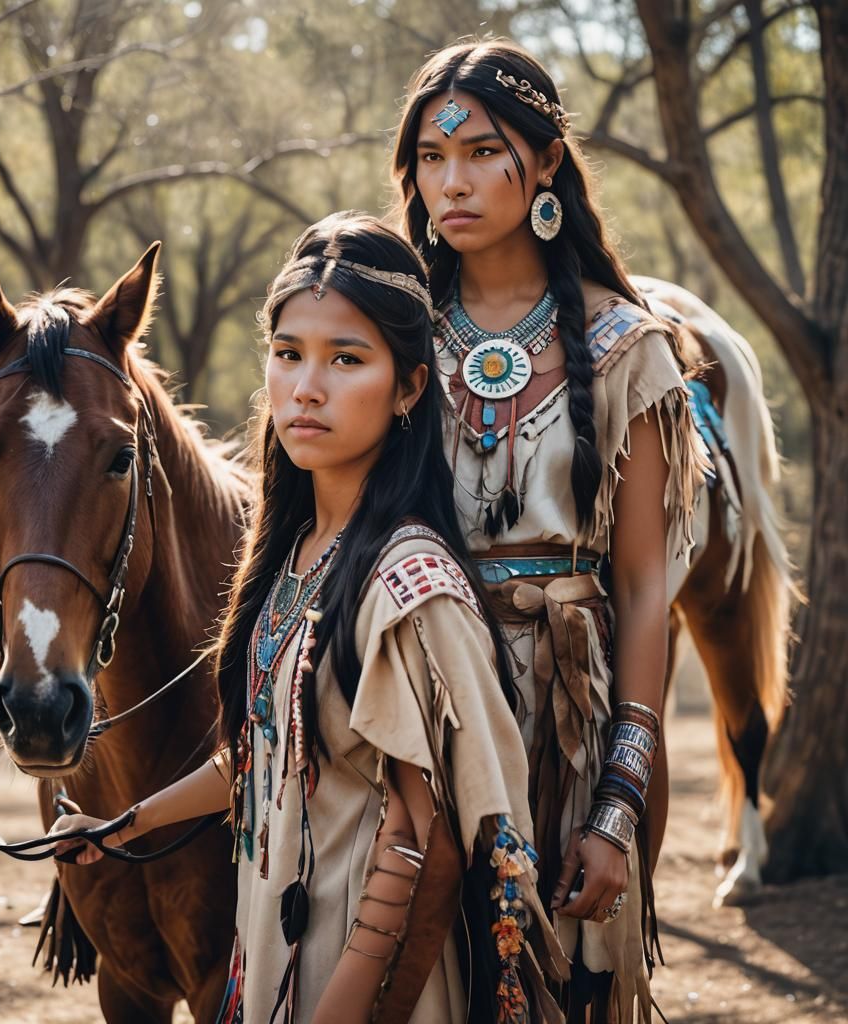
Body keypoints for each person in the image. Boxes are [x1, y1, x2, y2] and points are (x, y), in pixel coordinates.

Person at [49, 212, 565, 1023]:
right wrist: (125, 825)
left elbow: (418, 848)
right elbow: (268, 755)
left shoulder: (411, 584)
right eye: (288, 354)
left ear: (409, 388)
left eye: (346, 359)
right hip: (278, 969)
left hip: (364, 988)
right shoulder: (288, 560)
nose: (306, 387)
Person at [390, 39, 711, 1023]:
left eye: (480, 152)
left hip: (570, 733)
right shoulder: (390, 337)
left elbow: (649, 591)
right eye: (429, 159)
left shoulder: (628, 351)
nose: (451, 180)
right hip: (418, 714)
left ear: (543, 167)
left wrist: (618, 801)